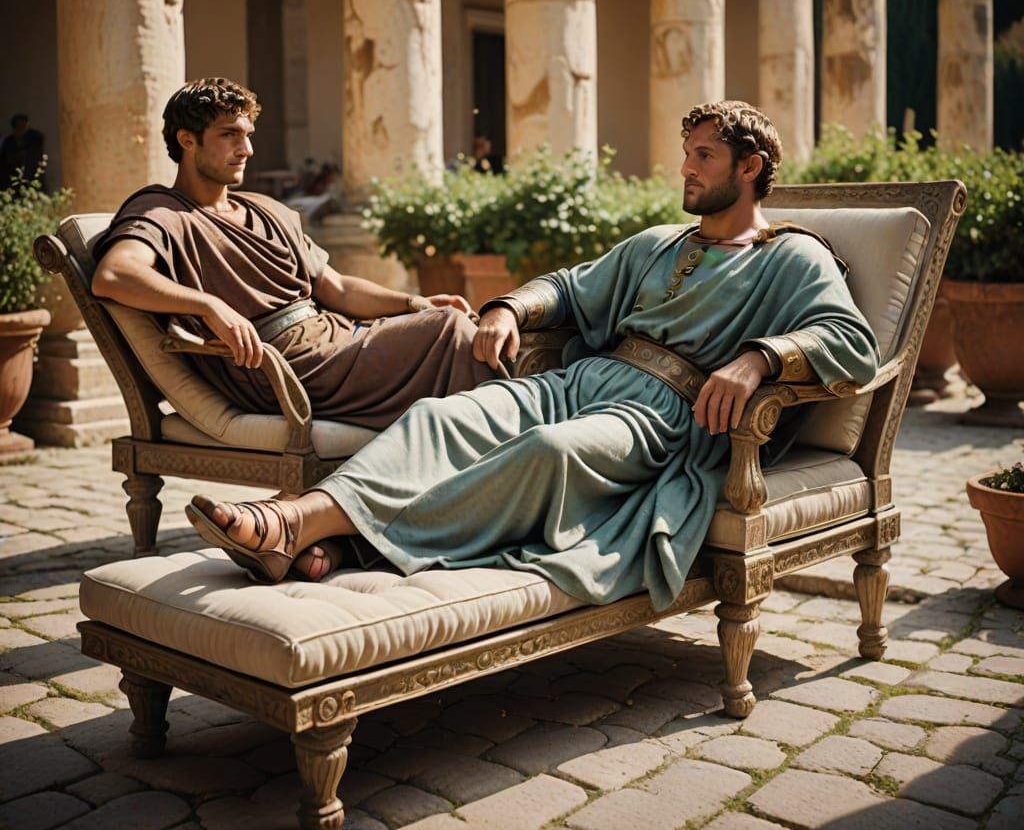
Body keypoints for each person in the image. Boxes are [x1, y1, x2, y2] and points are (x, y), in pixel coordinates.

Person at [186, 100, 880, 610]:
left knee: (548, 451)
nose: (685, 168)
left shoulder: (792, 255)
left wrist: (758, 359)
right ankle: (333, 541)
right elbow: (570, 287)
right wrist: (509, 307)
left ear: (750, 167)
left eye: (703, 155)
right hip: (580, 380)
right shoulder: (659, 242)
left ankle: (294, 522)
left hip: (664, 417)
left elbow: (851, 342)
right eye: (688, 152)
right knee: (441, 420)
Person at [93, 77, 504, 578]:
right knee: (455, 334)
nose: (245, 148)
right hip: (280, 365)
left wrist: (413, 301)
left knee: (452, 336)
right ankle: (501, 501)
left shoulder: (267, 211)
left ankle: (350, 541)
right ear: (186, 140)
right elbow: (115, 275)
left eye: (247, 134)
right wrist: (207, 306)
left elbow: (337, 287)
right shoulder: (163, 212)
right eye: (228, 135)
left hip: (337, 342)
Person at [0, 113, 46, 190]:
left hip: (31, 177)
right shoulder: (9, 142)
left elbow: (34, 158)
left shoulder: (34, 139)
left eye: (23, 125)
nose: (21, 128)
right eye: (19, 125)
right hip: (13, 179)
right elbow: (5, 161)